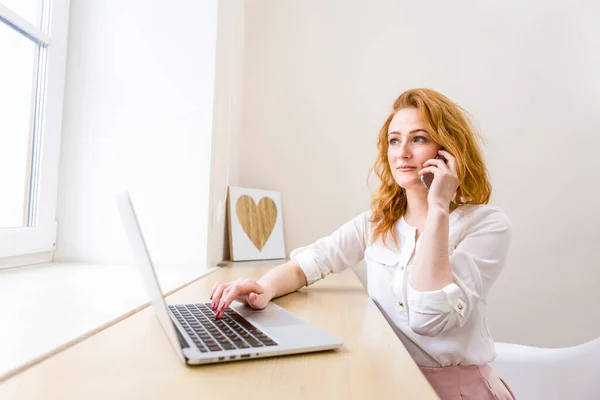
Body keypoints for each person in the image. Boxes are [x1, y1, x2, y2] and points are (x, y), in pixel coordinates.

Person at [210, 88, 516, 399]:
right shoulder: (376, 222)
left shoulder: (486, 224)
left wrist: (438, 208)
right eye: (394, 140)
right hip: (388, 383)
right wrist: (263, 288)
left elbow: (429, 319)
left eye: (419, 139)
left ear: (447, 149)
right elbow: (312, 262)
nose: (402, 152)